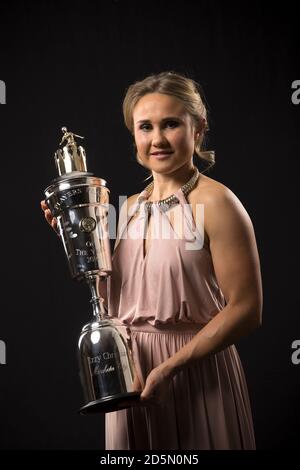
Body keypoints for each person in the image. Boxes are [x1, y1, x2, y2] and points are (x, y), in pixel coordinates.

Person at [41, 71, 263, 450]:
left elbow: (246, 309)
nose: (157, 139)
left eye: (171, 124)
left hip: (196, 376)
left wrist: (170, 368)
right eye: (145, 127)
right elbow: (117, 303)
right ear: (134, 135)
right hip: (131, 379)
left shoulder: (217, 203)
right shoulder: (127, 208)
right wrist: (76, 240)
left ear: (198, 128)